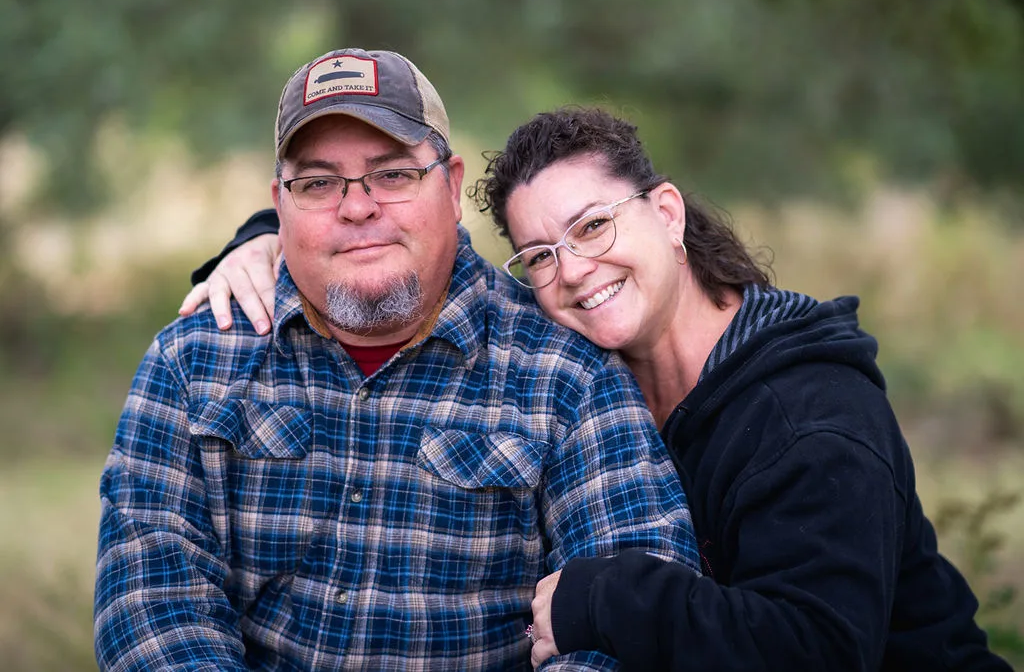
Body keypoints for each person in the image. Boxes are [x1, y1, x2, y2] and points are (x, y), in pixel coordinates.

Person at [182, 106, 1014, 672]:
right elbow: (412, 237)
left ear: (667, 212)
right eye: (540, 254)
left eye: (593, 226)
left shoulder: (805, 418)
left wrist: (605, 596)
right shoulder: (591, 367)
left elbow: (822, 648)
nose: (574, 270)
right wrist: (264, 242)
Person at [96, 50, 704, 672]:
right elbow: (153, 613)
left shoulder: (565, 374)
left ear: (449, 183)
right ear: (279, 204)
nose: (356, 208)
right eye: (318, 183)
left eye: (392, 175)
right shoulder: (194, 362)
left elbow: (632, 612)